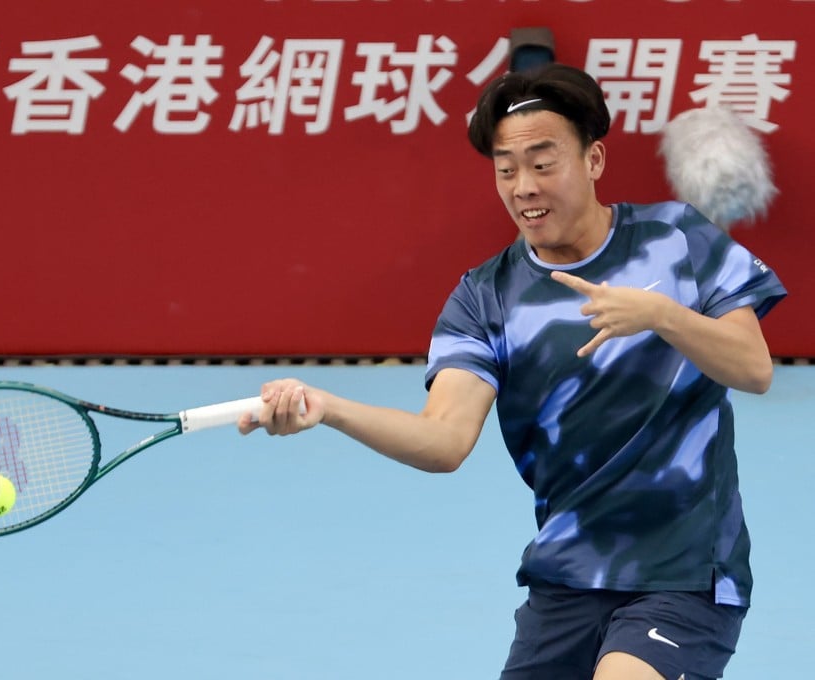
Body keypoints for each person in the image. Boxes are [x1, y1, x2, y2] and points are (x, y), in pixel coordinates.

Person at [238, 63, 786, 680]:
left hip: (684, 570)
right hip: (566, 579)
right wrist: (330, 408)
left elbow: (755, 368)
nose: (523, 186)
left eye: (543, 164)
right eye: (506, 169)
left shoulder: (679, 239)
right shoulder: (485, 297)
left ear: (594, 161)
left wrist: (661, 314)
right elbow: (443, 440)